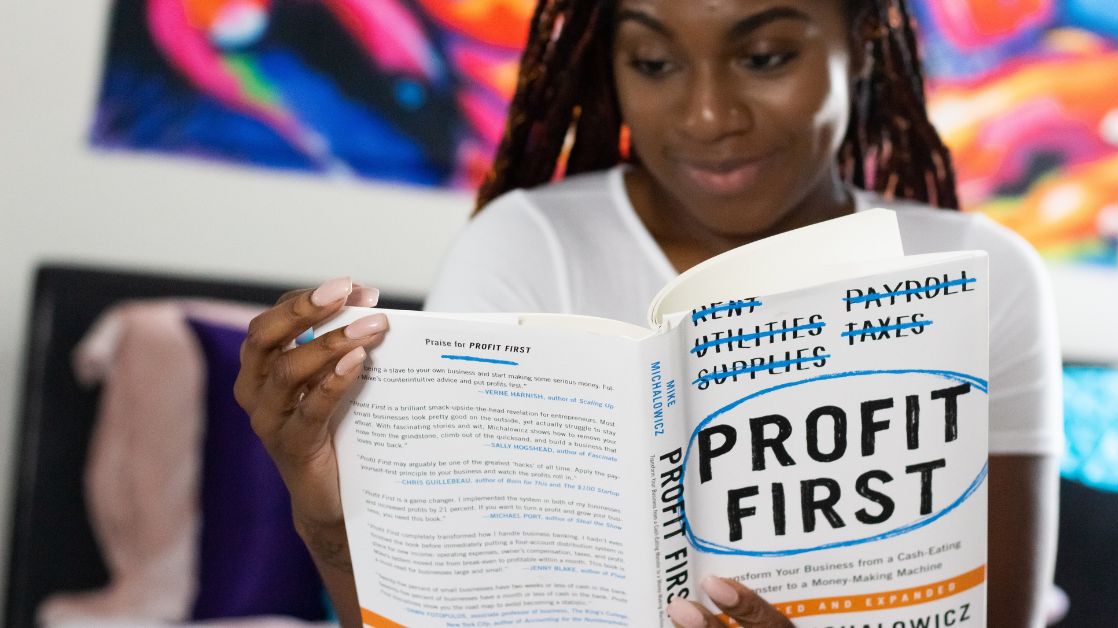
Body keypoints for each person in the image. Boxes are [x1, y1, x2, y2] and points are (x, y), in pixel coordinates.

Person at [234, 1, 1062, 626]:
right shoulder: (528, 248)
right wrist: (337, 530)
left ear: (865, 38)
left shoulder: (985, 275)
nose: (708, 117)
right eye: (654, 63)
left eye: (766, 55)